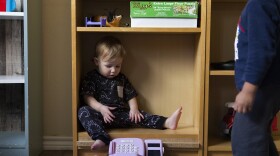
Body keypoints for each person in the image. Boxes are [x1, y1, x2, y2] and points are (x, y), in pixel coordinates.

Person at [78, 36, 182, 150]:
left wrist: (134, 109)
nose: (113, 70)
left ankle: (166, 122)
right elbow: (87, 97)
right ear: (96, 62)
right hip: (100, 115)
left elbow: (131, 95)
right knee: (83, 111)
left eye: (118, 66)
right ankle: (101, 137)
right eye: (108, 66)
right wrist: (101, 108)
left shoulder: (121, 78)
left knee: (140, 115)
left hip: (120, 115)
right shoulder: (91, 77)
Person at [232, 0, 280, 155]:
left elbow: (260, 50)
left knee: (245, 141)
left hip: (261, 88)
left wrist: (248, 90)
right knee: (260, 138)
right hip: (267, 86)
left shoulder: (260, 3)